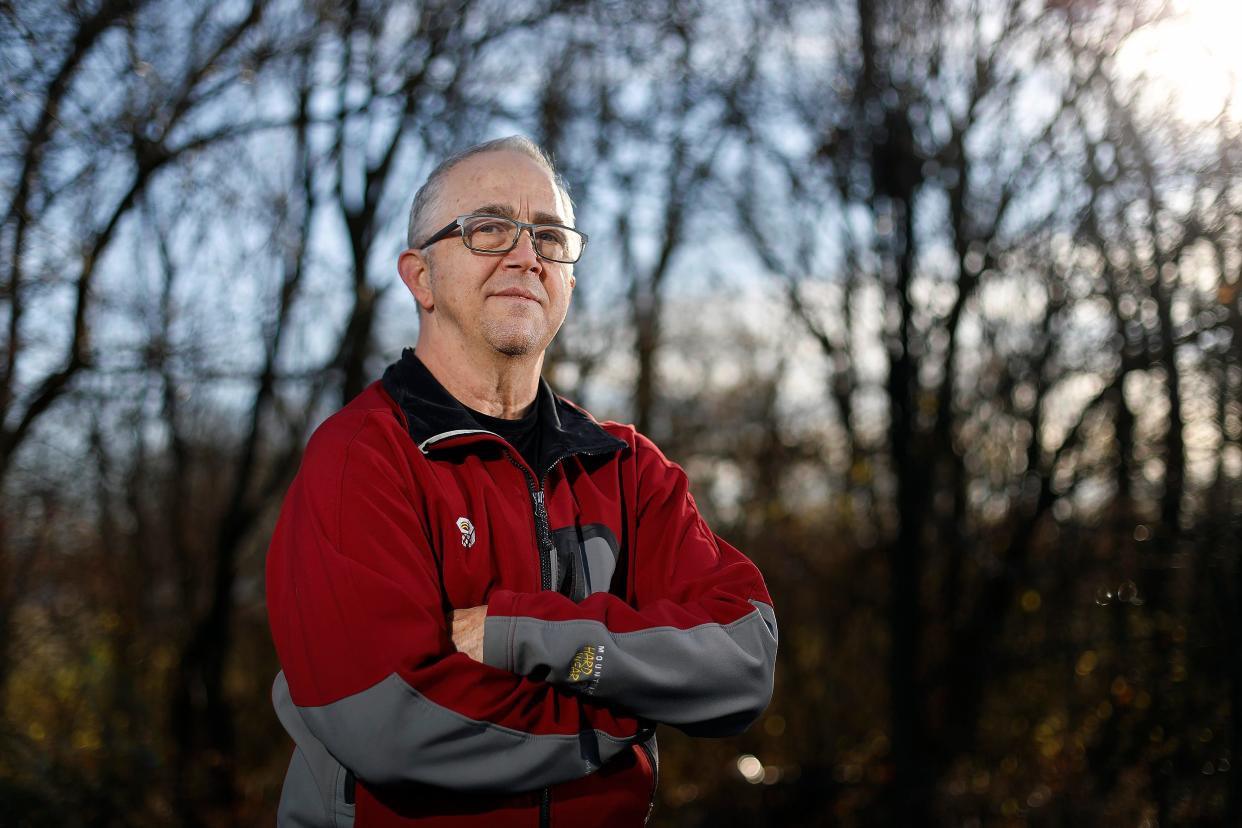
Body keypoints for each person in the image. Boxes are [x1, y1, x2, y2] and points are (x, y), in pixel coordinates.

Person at [265, 135, 778, 827]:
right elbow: (392, 722)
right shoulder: (362, 456)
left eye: (551, 236)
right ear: (420, 278)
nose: (527, 255)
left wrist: (517, 635)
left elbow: (742, 663)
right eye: (489, 229)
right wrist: (632, 712)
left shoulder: (627, 469)